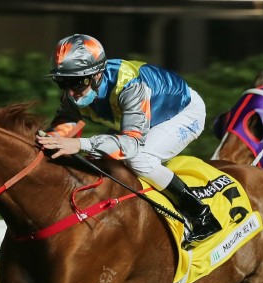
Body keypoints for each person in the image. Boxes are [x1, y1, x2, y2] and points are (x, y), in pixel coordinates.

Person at [36, 34, 221, 247]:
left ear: (97, 74)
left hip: (183, 112)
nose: (71, 92)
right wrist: (52, 138)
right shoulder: (76, 92)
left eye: (77, 82)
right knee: (97, 157)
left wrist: (79, 144)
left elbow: (130, 145)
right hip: (143, 116)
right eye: (63, 82)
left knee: (140, 159)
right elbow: (67, 121)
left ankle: (202, 215)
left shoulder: (129, 86)